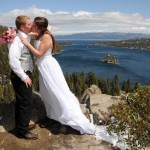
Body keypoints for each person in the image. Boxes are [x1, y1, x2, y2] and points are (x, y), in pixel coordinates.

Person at [19, 17, 126, 149]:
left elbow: (40, 54)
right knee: (47, 93)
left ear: (40, 27)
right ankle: (53, 116)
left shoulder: (46, 37)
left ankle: (67, 116)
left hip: (48, 67)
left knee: (57, 93)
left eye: (34, 25)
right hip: (43, 68)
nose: (32, 27)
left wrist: (26, 43)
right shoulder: (39, 34)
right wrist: (16, 34)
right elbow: (28, 34)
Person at [8, 15, 38, 140]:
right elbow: (13, 60)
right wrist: (24, 76)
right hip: (21, 75)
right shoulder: (16, 40)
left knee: (22, 102)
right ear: (22, 27)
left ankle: (22, 126)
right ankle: (22, 131)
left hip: (24, 73)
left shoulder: (24, 37)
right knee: (26, 102)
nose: (31, 25)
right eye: (29, 24)